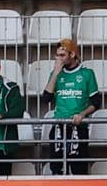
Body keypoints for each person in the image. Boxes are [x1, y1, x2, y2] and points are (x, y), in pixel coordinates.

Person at [42, 37, 100, 176]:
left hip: (78, 127)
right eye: (57, 55)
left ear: (72, 54)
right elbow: (46, 98)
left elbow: (96, 102)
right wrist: (55, 73)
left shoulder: (87, 74)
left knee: (78, 169)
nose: (59, 59)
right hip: (58, 126)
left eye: (62, 55)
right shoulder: (56, 74)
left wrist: (82, 114)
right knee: (57, 169)